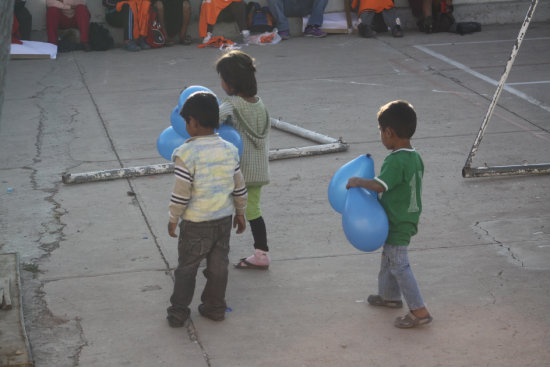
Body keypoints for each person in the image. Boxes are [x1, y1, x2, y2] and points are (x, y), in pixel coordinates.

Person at [346, 100, 432, 329]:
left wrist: (357, 182)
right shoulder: (414, 156)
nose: (381, 136)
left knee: (399, 265)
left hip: (397, 221)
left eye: (381, 132)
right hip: (406, 215)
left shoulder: (395, 160)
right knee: (389, 260)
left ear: (389, 132)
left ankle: (418, 310)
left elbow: (380, 186)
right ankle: (389, 296)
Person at [166, 91, 248, 327]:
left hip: (195, 224)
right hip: (223, 220)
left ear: (193, 121)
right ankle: (215, 307)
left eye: (185, 121)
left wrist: (173, 217)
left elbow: (181, 193)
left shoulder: (185, 153)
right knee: (218, 267)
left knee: (187, 269)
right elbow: (239, 186)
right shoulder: (230, 150)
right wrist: (240, 213)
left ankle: (179, 312)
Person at [216, 50, 271, 270]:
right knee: (253, 212)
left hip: (237, 172)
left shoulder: (231, 104)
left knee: (219, 210)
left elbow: (211, 120)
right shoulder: (260, 104)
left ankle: (215, 252)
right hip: (258, 172)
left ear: (230, 83)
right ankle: (261, 253)